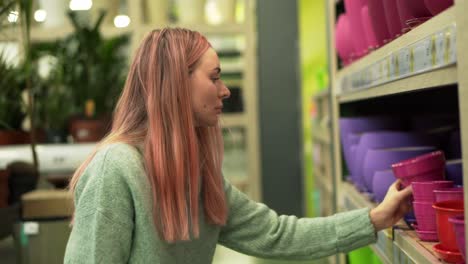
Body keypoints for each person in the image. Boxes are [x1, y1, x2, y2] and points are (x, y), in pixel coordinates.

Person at [63, 28, 413, 263]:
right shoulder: (115, 169)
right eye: (214, 77)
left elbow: (276, 235)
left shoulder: (196, 175)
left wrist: (374, 219)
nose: (225, 90)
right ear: (174, 84)